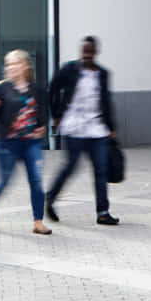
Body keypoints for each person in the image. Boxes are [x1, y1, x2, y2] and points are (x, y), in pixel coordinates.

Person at [45, 36, 120, 226]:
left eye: (89, 52)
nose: (86, 55)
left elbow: (106, 101)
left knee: (101, 171)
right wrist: (56, 114)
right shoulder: (70, 69)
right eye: (83, 52)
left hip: (97, 130)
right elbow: (53, 88)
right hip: (75, 128)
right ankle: (50, 198)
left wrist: (111, 128)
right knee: (71, 166)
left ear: (96, 52)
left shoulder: (102, 73)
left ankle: (103, 212)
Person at [0, 50, 52, 235]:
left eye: (15, 63)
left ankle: (38, 222)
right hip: (8, 143)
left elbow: (43, 113)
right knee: (5, 181)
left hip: (31, 143)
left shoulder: (37, 89)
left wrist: (42, 127)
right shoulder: (0, 88)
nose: (10, 67)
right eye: (8, 64)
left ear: (25, 66)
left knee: (36, 180)